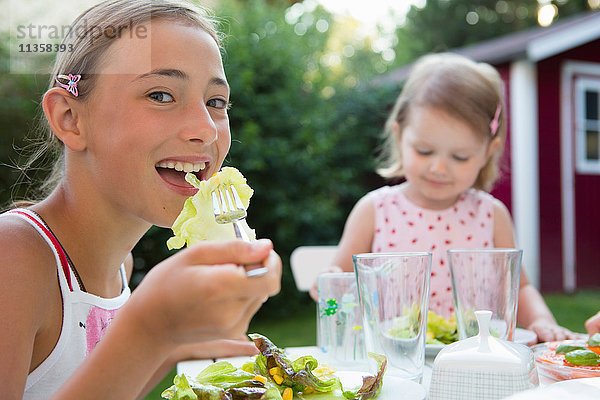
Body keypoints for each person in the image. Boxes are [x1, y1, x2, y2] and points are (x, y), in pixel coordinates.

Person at [0, 1, 281, 399]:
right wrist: (148, 330)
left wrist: (172, 344)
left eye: (216, 102)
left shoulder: (119, 266)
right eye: (161, 95)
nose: (206, 129)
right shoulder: (13, 256)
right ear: (69, 118)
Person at [311, 53, 577, 343]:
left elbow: (519, 288)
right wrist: (328, 285)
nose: (438, 168)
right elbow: (340, 285)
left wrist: (541, 320)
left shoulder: (491, 215)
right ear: (400, 136)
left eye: (460, 157)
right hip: (393, 367)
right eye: (424, 151)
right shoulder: (374, 211)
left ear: (488, 151)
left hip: (476, 365)